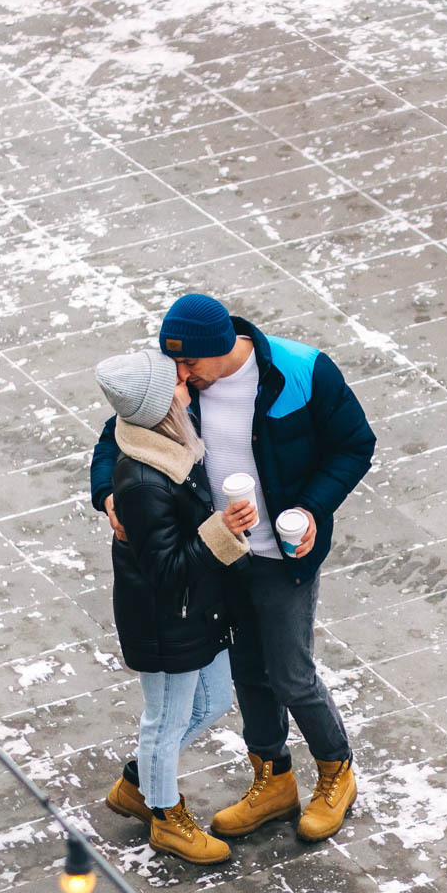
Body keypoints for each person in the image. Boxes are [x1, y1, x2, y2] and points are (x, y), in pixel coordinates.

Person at [90, 294, 376, 843]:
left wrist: (311, 509)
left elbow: (353, 445)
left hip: (283, 554)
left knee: (291, 674)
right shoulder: (177, 384)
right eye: (174, 363)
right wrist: (107, 494)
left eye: (189, 363)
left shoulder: (301, 369)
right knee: (249, 673)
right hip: (218, 557)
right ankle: (274, 780)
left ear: (221, 347)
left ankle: (336, 771)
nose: (181, 374)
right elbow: (116, 435)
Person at [94, 350, 258, 865]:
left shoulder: (170, 444)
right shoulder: (145, 481)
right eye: (179, 383)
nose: (188, 382)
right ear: (162, 405)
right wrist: (222, 531)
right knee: (165, 722)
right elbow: (165, 571)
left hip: (196, 611)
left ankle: (139, 784)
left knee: (212, 703)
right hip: (167, 620)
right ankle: (166, 818)